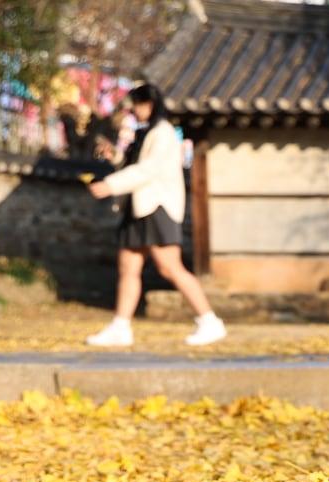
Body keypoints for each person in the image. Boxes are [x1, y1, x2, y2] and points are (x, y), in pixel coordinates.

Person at [84, 84, 225, 347]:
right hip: (138, 207)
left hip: (156, 206)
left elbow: (149, 170)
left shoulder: (164, 134)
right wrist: (115, 157)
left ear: (149, 104)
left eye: (137, 105)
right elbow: (135, 164)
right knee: (128, 266)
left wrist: (111, 185)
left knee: (169, 266)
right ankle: (120, 326)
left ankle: (209, 320)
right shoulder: (145, 133)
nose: (133, 111)